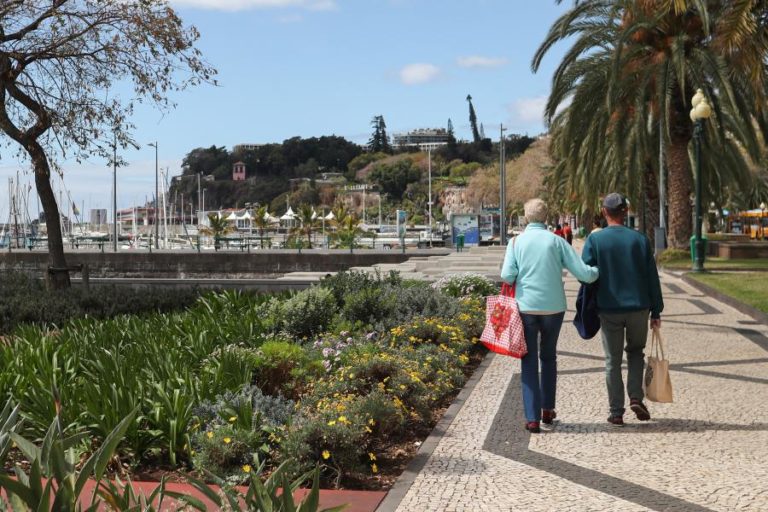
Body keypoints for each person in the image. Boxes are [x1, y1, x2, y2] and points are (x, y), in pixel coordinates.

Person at [501, 199, 599, 433]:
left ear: (526, 217)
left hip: (525, 307)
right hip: (554, 308)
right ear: (546, 217)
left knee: (528, 359)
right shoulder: (556, 241)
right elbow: (584, 274)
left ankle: (532, 418)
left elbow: (507, 275)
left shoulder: (515, 242)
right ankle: (548, 409)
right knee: (548, 357)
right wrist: (598, 271)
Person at [582, 193, 664, 426]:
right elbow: (652, 277)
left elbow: (587, 273)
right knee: (636, 352)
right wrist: (656, 310)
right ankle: (636, 397)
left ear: (604, 212)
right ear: (625, 212)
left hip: (609, 308)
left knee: (612, 360)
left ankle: (616, 411)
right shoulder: (639, 239)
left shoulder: (595, 241)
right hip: (639, 307)